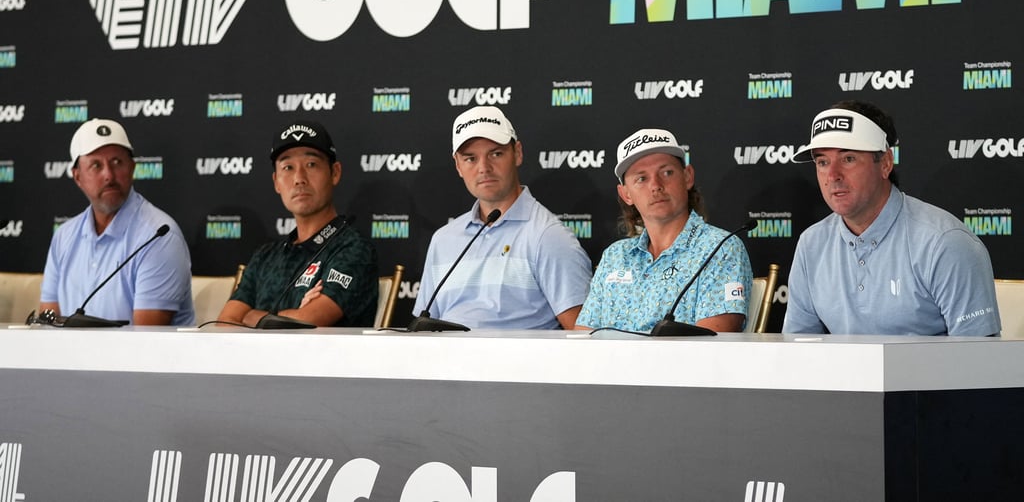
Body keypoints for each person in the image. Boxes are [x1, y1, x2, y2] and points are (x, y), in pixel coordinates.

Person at [783, 101, 1000, 336]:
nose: (833, 175)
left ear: (885, 163)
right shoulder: (811, 244)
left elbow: (978, 359)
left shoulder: (944, 243)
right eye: (823, 162)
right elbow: (798, 350)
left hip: (932, 374)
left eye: (848, 159)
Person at [414, 106, 592, 329]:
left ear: (517, 153)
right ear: (458, 165)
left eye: (496, 154)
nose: (484, 168)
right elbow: (423, 326)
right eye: (470, 159)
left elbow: (584, 335)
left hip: (518, 364)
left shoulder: (548, 236)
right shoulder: (443, 239)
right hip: (443, 361)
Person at [576, 129, 753, 333]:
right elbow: (583, 338)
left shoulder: (721, 249)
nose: (656, 185)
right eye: (641, 178)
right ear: (626, 194)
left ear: (687, 177)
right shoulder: (615, 256)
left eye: (667, 172)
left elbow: (711, 347)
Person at [219, 120, 378, 327]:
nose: (299, 178)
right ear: (276, 181)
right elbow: (225, 322)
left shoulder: (353, 249)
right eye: (288, 167)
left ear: (335, 173)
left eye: (311, 164)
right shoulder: (265, 257)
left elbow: (308, 321)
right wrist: (286, 317)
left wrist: (249, 316)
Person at [40, 119, 194, 325]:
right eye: (96, 165)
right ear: (78, 177)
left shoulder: (159, 235)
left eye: (117, 162)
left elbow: (147, 340)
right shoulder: (64, 236)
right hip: (71, 356)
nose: (108, 175)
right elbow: (47, 323)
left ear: (132, 168)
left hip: (141, 356)